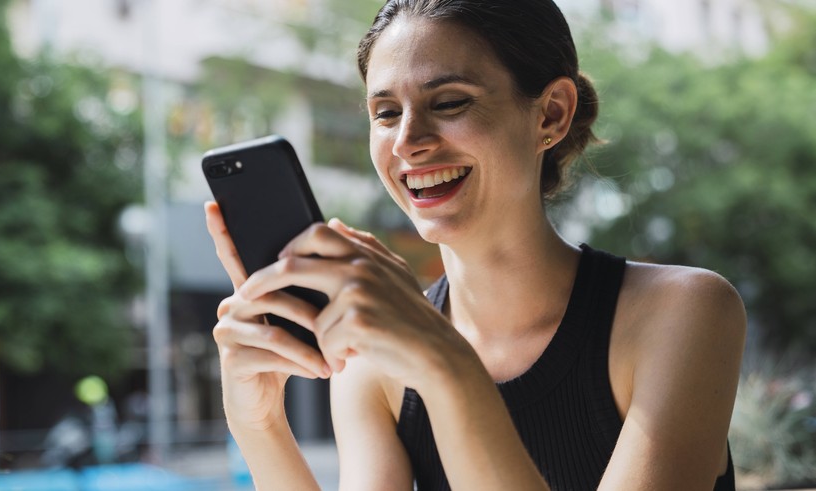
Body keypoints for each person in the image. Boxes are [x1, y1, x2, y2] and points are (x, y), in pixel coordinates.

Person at [205, 0, 747, 489]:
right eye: (386, 112)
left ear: (551, 114)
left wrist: (444, 361)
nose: (408, 142)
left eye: (449, 102)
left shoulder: (683, 313)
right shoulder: (374, 368)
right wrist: (260, 425)